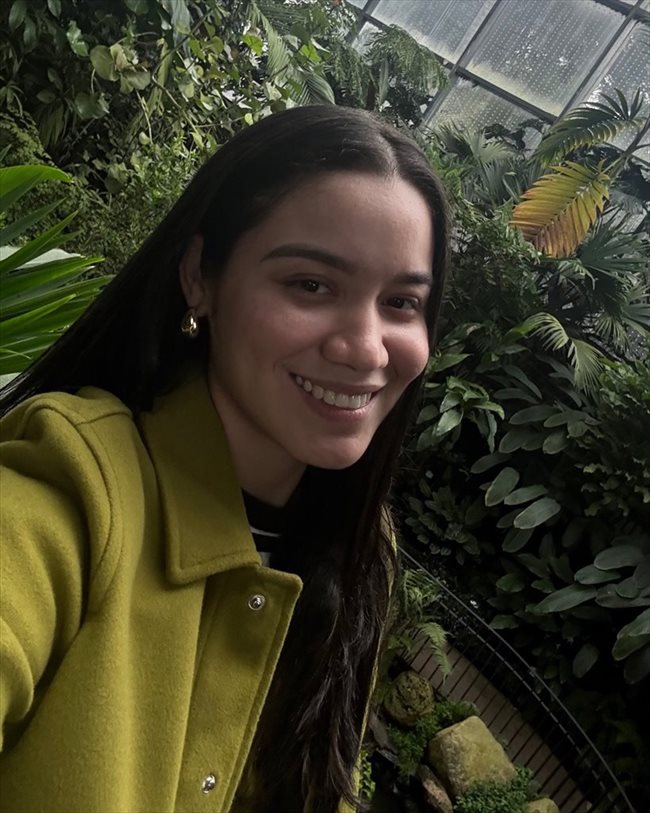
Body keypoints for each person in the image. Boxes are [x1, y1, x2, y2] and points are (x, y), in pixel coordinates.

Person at [0, 105, 449, 813]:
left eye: (401, 301)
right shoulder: (71, 490)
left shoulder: (362, 551)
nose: (366, 349)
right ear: (199, 278)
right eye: (311, 285)